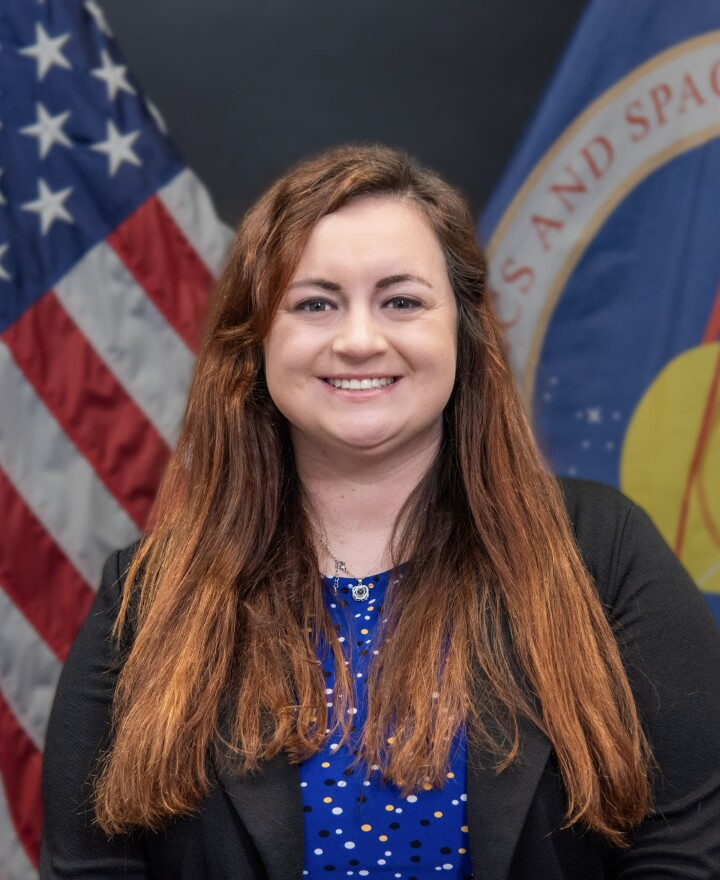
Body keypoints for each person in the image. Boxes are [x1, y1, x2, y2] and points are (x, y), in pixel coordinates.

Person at [41, 145, 720, 879]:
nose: (360, 341)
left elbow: (685, 853)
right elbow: (93, 868)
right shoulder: (148, 597)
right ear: (256, 340)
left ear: (462, 328)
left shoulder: (604, 553)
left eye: (401, 301)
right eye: (315, 304)